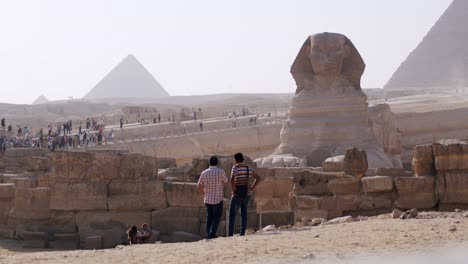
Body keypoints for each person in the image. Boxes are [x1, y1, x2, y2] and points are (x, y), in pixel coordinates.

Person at [228, 153, 261, 236]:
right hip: (246, 193)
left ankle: (230, 233)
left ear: (235, 160)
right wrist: (252, 188)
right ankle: (242, 233)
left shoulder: (235, 167)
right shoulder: (248, 167)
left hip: (238, 193)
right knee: (244, 213)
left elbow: (232, 179)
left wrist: (234, 190)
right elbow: (258, 178)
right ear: (243, 159)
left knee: (232, 213)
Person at [197, 156, 228, 239]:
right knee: (216, 217)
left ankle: (210, 234)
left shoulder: (204, 172)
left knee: (209, 217)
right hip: (218, 199)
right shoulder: (221, 171)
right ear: (217, 163)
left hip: (208, 199)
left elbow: (199, 186)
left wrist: (204, 193)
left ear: (209, 163)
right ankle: (211, 234)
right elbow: (225, 181)